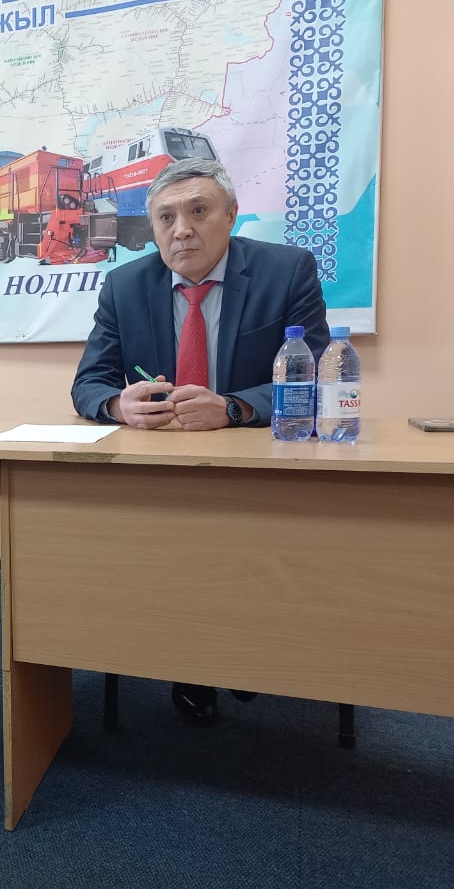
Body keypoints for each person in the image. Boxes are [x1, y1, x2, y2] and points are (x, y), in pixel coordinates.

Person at [71, 158, 330, 725]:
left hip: (262, 473)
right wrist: (118, 405)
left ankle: (251, 649)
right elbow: (88, 383)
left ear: (231, 216)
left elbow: (311, 380)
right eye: (166, 217)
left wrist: (234, 407)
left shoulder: (286, 271)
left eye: (198, 211)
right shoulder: (124, 285)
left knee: (258, 554)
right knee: (154, 550)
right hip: (163, 479)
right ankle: (192, 660)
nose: (181, 229)